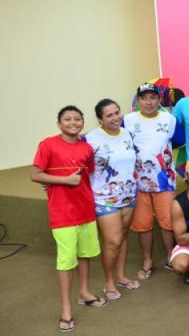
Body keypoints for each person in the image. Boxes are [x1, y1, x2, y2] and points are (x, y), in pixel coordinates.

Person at [31, 105, 108, 333]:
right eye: (68, 119)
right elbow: (35, 174)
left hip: (86, 210)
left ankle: (84, 293)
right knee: (66, 261)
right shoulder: (47, 144)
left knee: (85, 254)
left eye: (78, 119)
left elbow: (86, 177)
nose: (73, 122)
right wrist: (63, 180)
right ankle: (66, 310)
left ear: (83, 122)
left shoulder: (86, 148)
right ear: (59, 123)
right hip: (62, 214)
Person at [124, 83, 185, 280]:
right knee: (143, 224)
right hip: (137, 183)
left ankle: (170, 255)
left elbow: (179, 141)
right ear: (138, 100)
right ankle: (147, 260)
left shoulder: (170, 119)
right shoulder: (128, 120)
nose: (149, 102)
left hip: (164, 181)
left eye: (153, 98)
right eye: (144, 98)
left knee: (167, 222)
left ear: (159, 100)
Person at [86, 99, 139, 299]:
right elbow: (77, 161)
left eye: (117, 112)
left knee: (123, 236)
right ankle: (108, 282)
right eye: (109, 115)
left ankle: (121, 276)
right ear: (100, 119)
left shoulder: (126, 133)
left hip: (128, 195)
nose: (115, 118)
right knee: (113, 241)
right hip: (104, 198)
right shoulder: (91, 139)